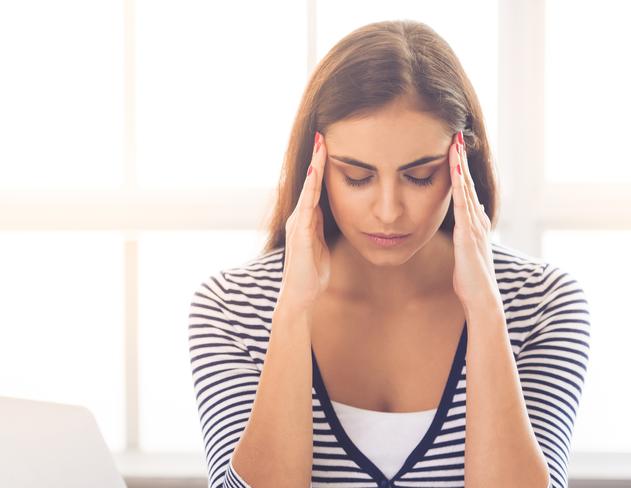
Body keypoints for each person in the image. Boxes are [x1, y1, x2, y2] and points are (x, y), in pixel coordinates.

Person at [188, 19, 590, 488]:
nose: (387, 211)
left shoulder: (542, 303)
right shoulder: (231, 307)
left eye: (419, 176)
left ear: (462, 163)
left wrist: (485, 309)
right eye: (356, 176)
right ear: (314, 165)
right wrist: (293, 309)